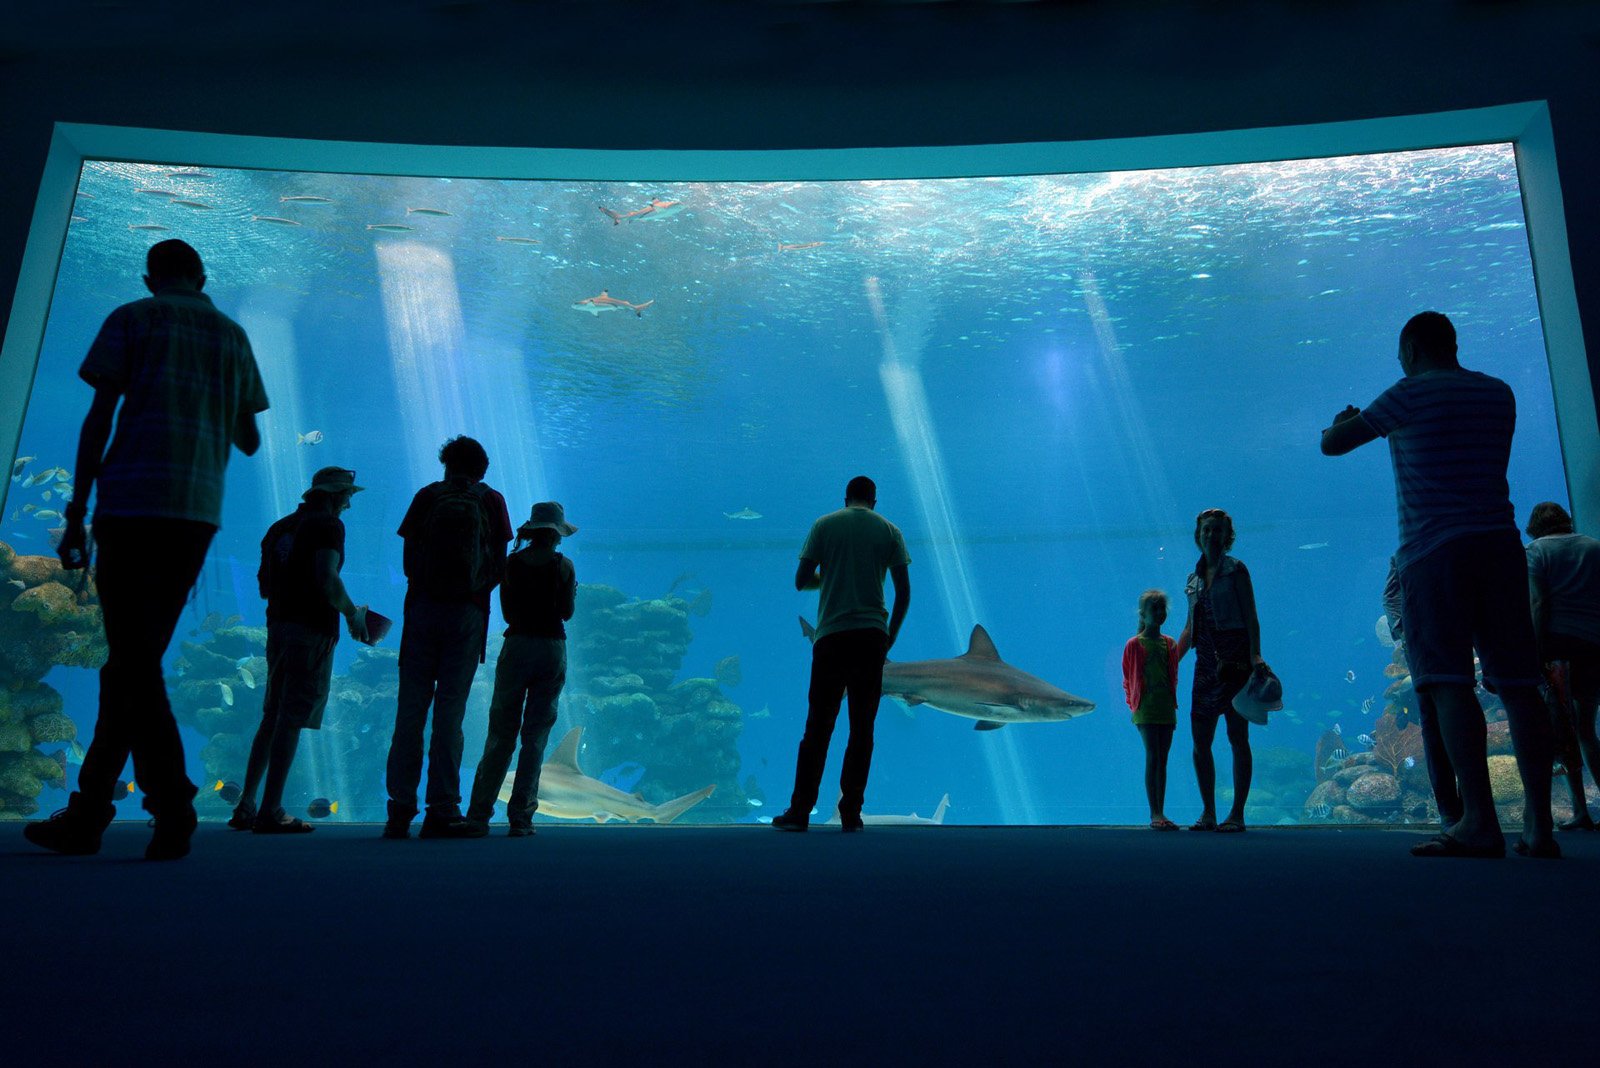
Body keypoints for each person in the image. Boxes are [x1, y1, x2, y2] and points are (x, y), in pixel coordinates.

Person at [23, 239, 269, 861]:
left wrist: (76, 510)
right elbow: (248, 439)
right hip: (194, 513)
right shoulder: (233, 336)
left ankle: (170, 805)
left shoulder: (132, 317)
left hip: (130, 505)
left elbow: (98, 418)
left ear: (150, 277)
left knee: (132, 662)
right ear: (203, 276)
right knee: (130, 664)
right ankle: (91, 816)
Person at [1321, 310, 1556, 859]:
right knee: (1520, 687)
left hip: (1433, 552)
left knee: (1449, 682)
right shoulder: (1498, 394)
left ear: (1412, 349)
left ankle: (1478, 821)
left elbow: (1335, 444)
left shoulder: (1406, 394)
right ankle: (1540, 827)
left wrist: (1340, 420)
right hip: (1500, 547)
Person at [384, 436, 512, 839]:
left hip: (421, 612)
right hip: (468, 615)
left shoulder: (427, 496)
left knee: (410, 714)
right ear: (482, 469)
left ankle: (400, 810)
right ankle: (443, 809)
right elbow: (498, 566)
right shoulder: (492, 500)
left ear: (445, 464)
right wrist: (470, 593)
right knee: (450, 715)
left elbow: (407, 561)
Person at [231, 467, 370, 834]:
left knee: (271, 714)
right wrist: (353, 614)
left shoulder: (279, 528)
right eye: (347, 496)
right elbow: (327, 575)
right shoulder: (328, 525)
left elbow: (264, 585)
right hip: (311, 630)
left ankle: (246, 804)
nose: (349, 504)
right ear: (335, 494)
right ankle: (271, 810)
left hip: (278, 625)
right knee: (291, 719)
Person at [772, 476, 910, 832]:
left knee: (818, 727)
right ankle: (851, 813)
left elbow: (801, 580)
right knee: (862, 730)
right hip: (871, 638)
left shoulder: (824, 524)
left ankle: (800, 811)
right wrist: (889, 638)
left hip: (832, 636)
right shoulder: (890, 530)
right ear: (874, 502)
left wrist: (829, 576)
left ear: (846, 498)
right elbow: (904, 593)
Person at [464, 502, 578, 838]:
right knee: (535, 737)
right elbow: (567, 612)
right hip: (551, 648)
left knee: (500, 734)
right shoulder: (563, 566)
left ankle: (478, 815)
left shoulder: (511, 563)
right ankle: (521, 817)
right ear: (556, 534)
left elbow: (509, 612)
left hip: (517, 647)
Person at [1175, 508, 1265, 833]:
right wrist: (1172, 659)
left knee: (1237, 737)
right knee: (1201, 740)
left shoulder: (1236, 570)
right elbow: (1189, 628)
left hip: (1235, 664)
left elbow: (1251, 616)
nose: (1211, 535)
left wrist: (1255, 657)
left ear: (1228, 536)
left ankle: (1237, 813)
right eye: (1206, 530)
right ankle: (1209, 812)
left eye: (1217, 530)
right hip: (1205, 667)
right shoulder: (1193, 580)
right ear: (1198, 535)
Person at [1523, 501, 1600, 831]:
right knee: (1586, 730)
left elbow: (1539, 602)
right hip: (1594, 646)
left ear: (1535, 527)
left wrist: (1535, 650)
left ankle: (1581, 811)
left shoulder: (1535, 552)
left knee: (1562, 732)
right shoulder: (1594, 547)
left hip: (1557, 648)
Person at [1384, 556, 1462, 830]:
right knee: (1431, 719)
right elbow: (1391, 598)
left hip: (1456, 637)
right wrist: (1405, 633)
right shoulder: (1403, 553)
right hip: (1421, 643)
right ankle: (1449, 811)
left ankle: (1469, 809)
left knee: (1458, 719)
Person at [1122, 590, 1180, 830]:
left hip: (1166, 707)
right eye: (1153, 609)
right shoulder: (1134, 645)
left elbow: (1173, 675)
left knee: (1163, 760)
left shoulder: (1170, 643)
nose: (1159, 613)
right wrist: (1133, 705)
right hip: (1145, 708)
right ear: (1142, 615)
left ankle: (1162, 811)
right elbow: (1127, 679)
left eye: (1161, 609)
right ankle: (1154, 812)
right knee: (1153, 756)